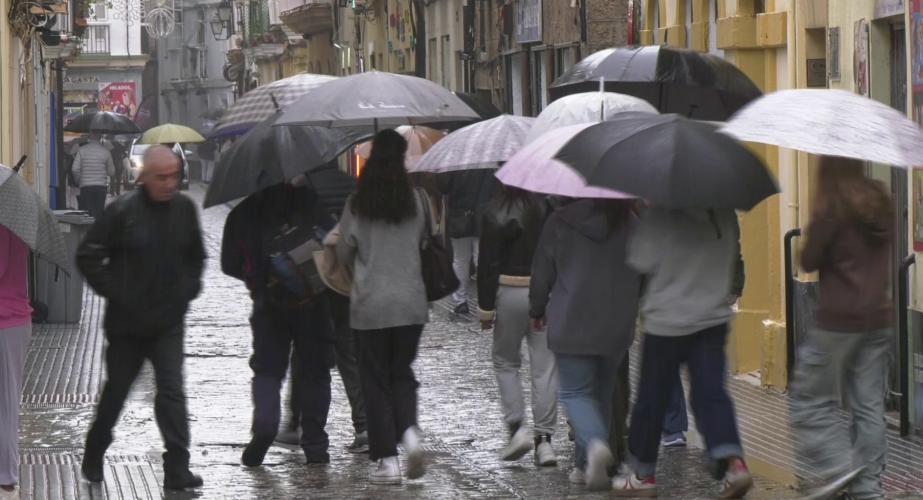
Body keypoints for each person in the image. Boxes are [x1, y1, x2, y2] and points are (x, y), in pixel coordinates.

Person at [76, 145, 205, 491]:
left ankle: (177, 465)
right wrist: (118, 292)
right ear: (144, 177)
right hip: (127, 326)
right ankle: (96, 446)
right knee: (117, 390)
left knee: (172, 391)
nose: (169, 183)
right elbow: (88, 255)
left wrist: (186, 291)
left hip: (167, 322)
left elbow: (197, 257)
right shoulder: (122, 212)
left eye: (174, 176)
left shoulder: (183, 210)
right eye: (161, 177)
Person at [612, 206, 752, 498]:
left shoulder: (661, 214)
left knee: (653, 396)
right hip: (712, 317)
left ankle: (642, 473)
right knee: (710, 394)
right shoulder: (723, 214)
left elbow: (640, 259)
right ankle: (733, 463)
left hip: (668, 320)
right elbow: (730, 255)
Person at [791, 156, 893, 500]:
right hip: (878, 316)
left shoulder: (831, 206)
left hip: (838, 321)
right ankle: (868, 490)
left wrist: (813, 233)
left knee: (807, 400)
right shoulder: (880, 199)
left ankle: (838, 467)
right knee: (868, 408)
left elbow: (808, 260)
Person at [221, 180, 336, 466]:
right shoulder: (309, 199)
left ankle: (265, 428)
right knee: (315, 372)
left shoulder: (243, 213)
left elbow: (228, 263)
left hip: (268, 305)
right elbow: (333, 242)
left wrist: (259, 279)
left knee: (268, 371)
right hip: (314, 303)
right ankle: (315, 446)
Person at [336, 130, 428, 485]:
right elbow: (423, 241)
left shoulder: (358, 203)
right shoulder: (417, 200)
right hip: (410, 304)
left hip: (370, 306)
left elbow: (345, 253)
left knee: (374, 381)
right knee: (401, 373)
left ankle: (388, 461)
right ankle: (410, 435)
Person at [529, 198, 641, 490]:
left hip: (572, 321)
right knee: (601, 394)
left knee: (575, 392)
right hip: (616, 324)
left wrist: (536, 309)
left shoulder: (560, 221)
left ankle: (594, 443)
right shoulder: (631, 222)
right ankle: (584, 466)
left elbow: (542, 271)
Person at [275, 162, 369, 455]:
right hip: (347, 278)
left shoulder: (301, 186)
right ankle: (364, 425)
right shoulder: (350, 184)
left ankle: (297, 423)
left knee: (306, 354)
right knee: (349, 353)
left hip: (314, 278)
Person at [477, 186, 558, 466]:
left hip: (508, 290)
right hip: (543, 291)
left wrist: (485, 308)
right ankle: (545, 441)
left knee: (505, 361)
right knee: (545, 367)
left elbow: (487, 263)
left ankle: (517, 428)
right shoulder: (546, 206)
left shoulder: (493, 209)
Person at [0, 223, 32, 500]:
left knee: (6, 405)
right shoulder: (14, 217)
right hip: (13, 321)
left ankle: (6, 481)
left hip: (6, 323)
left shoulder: (3, 224)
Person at [437, 169, 498, 315]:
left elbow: (443, 186)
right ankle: (487, 303)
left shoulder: (457, 160)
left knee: (460, 259)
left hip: (459, 215)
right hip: (485, 215)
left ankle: (460, 301)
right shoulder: (490, 159)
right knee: (482, 259)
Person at [72, 133, 115, 219]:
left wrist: (79, 180)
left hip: (85, 187)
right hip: (101, 187)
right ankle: (97, 230)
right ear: (100, 138)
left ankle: (86, 230)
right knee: (98, 213)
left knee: (86, 214)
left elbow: (74, 169)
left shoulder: (82, 150)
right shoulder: (106, 151)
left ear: (89, 137)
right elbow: (111, 172)